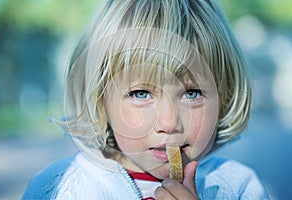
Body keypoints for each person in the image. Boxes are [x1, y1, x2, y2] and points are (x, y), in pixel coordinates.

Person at [23, 0, 268, 199]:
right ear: (101, 101)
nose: (169, 122)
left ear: (223, 98)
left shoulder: (238, 188)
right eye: (141, 93)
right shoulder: (62, 189)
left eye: (191, 93)